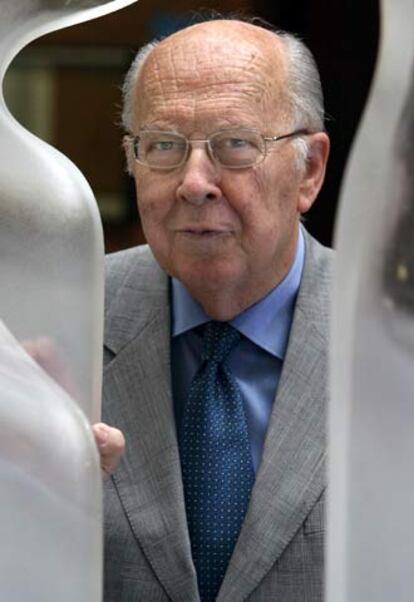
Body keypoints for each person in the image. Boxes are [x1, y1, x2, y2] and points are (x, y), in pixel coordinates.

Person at [102, 17, 331, 601]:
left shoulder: (392, 332)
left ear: (309, 170)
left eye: (235, 145)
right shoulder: (53, 320)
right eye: (163, 146)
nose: (194, 183)